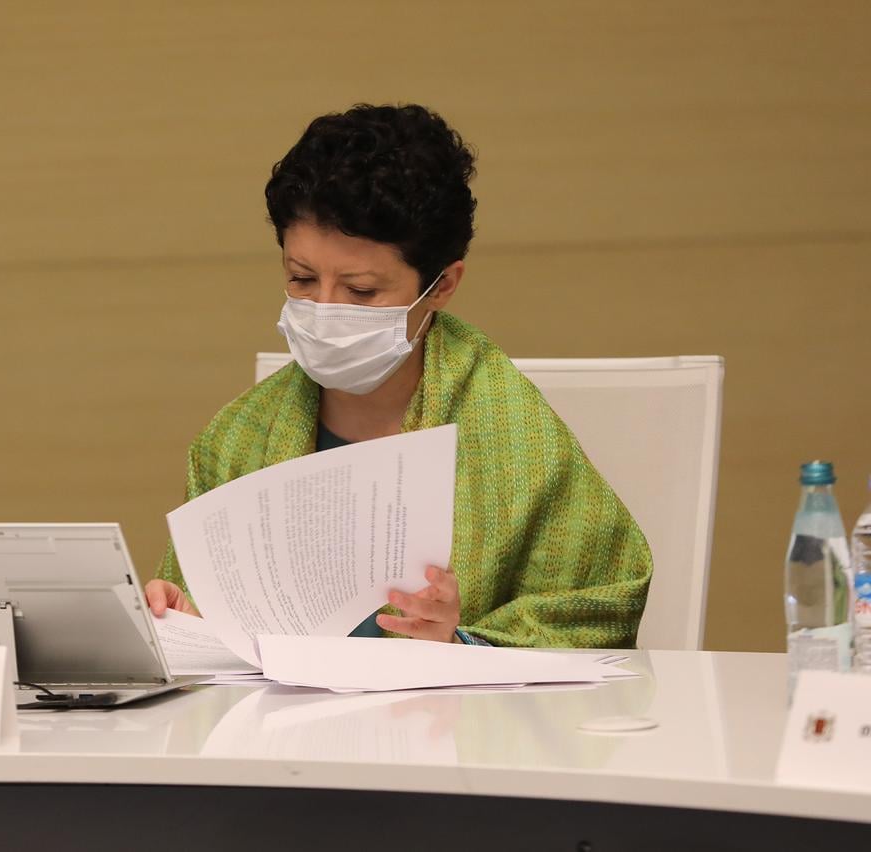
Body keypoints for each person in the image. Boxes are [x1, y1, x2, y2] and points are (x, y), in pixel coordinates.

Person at [144, 104, 652, 647]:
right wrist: (188, 623)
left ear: (442, 286)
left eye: (361, 291)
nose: (325, 308)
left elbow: (600, 609)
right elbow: (205, 625)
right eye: (302, 279)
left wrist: (459, 644)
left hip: (454, 707)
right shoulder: (234, 443)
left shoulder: (518, 443)